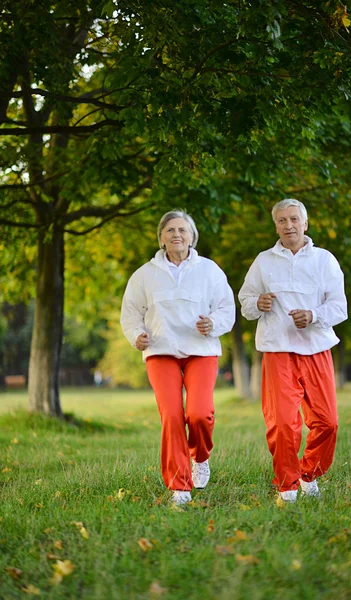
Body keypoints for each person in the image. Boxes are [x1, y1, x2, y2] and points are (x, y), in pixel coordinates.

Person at [120, 209, 235, 506]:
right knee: (172, 415)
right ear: (161, 238)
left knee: (199, 413)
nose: (177, 235)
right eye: (170, 230)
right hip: (161, 351)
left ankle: (200, 457)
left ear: (192, 236)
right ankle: (180, 487)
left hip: (201, 350)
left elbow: (226, 309)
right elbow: (131, 312)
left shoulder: (209, 270)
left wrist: (214, 324)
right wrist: (137, 336)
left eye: (183, 230)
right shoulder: (144, 274)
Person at [239, 199, 347, 504]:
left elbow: (339, 306)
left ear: (305, 223)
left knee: (328, 422)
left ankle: (308, 473)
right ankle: (286, 484)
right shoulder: (263, 261)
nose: (289, 225)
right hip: (278, 351)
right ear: (276, 225)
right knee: (284, 424)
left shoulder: (325, 260)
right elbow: (245, 300)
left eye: (294, 219)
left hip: (316, 348)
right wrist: (256, 303)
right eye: (282, 221)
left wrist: (313, 315)